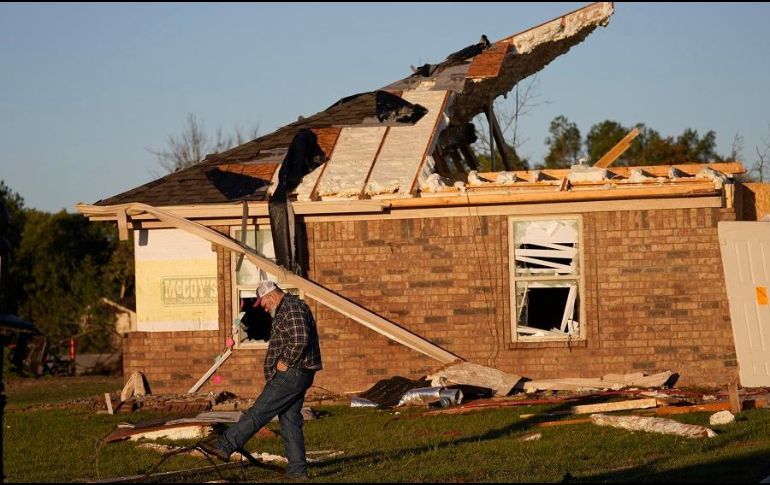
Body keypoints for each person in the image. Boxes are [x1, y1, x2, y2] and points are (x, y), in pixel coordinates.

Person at [201, 280, 322, 479]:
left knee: (259, 412)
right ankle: (297, 472)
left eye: (264, 303)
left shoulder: (291, 307)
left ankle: (224, 445)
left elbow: (300, 338)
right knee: (290, 421)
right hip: (299, 374)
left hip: (292, 373)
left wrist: (286, 360)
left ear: (272, 296)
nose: (264, 308)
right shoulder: (289, 307)